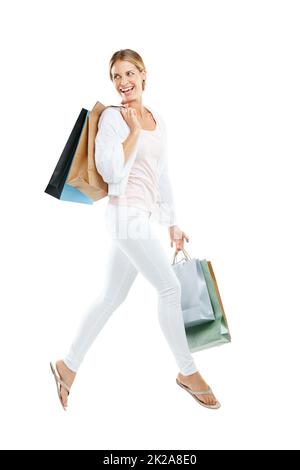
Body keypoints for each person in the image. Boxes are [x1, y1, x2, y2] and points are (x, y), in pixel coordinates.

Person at [50, 49, 220, 410]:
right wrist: (132, 133)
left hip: (141, 217)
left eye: (129, 74)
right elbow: (110, 171)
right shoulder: (113, 118)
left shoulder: (157, 119)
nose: (123, 83)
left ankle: (67, 365)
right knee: (170, 288)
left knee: (111, 298)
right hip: (123, 215)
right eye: (116, 77)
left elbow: (161, 174)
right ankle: (187, 371)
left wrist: (172, 223)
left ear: (143, 75)